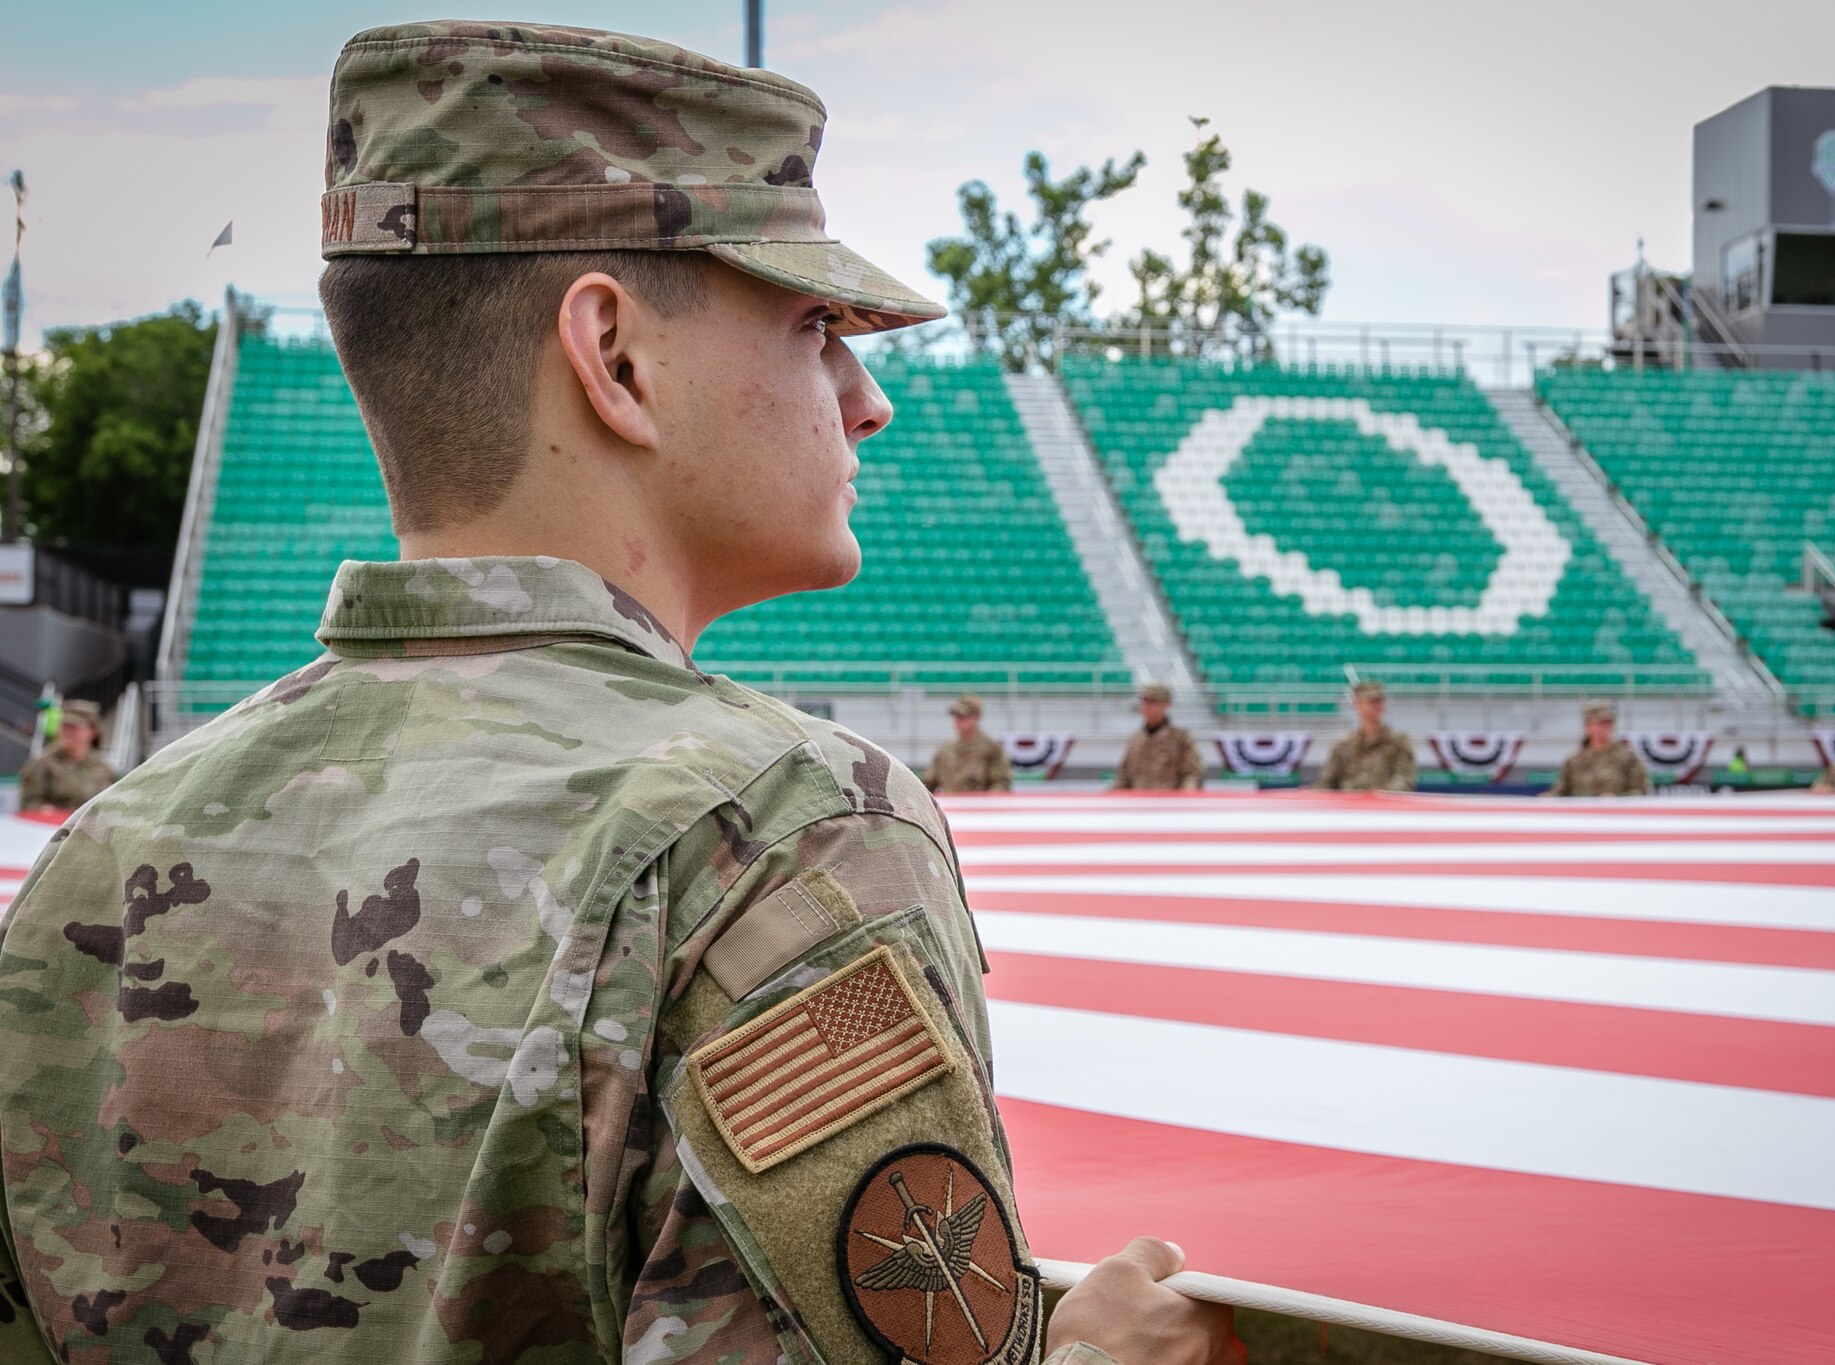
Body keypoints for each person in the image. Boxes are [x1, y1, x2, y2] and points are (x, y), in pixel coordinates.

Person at [0, 24, 1238, 1365]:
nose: (865, 397)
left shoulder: (108, 852)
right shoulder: (778, 833)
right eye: (815, 324)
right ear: (617, 356)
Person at [15, 700, 118, 815]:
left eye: (74, 727)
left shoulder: (103, 769)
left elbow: (112, 806)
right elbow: (28, 803)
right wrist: (45, 810)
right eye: (64, 726)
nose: (67, 732)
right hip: (53, 829)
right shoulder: (42, 763)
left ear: (92, 731)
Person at [1313, 681, 1417, 792]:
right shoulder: (1344, 744)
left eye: (1380, 701)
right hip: (1350, 804)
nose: (1377, 705)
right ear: (1357, 705)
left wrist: (1379, 795)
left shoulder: (1398, 741)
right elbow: (1327, 781)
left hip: (1384, 805)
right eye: (1371, 701)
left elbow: (1404, 779)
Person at [1546, 700, 1651, 797]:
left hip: (1615, 815)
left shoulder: (1627, 758)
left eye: (1609, 722)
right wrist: (1547, 799)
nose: (1606, 727)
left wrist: (1618, 800)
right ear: (1587, 727)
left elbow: (1641, 792)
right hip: (1582, 816)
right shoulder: (1575, 761)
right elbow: (1562, 792)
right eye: (1600, 723)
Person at [1111, 683, 1204, 791]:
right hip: (1139, 801)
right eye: (1144, 701)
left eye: (1152, 702)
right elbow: (1124, 775)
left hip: (1170, 802)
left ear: (1166, 704)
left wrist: (1188, 793)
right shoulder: (1136, 738)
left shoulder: (1181, 738)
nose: (1146, 706)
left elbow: (1192, 773)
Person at [923, 693, 1012, 793]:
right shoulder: (945, 750)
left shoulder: (992, 748)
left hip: (979, 806)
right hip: (949, 805)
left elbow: (1001, 783)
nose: (958, 720)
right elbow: (928, 783)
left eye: (963, 716)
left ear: (977, 717)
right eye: (956, 716)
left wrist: (988, 802)